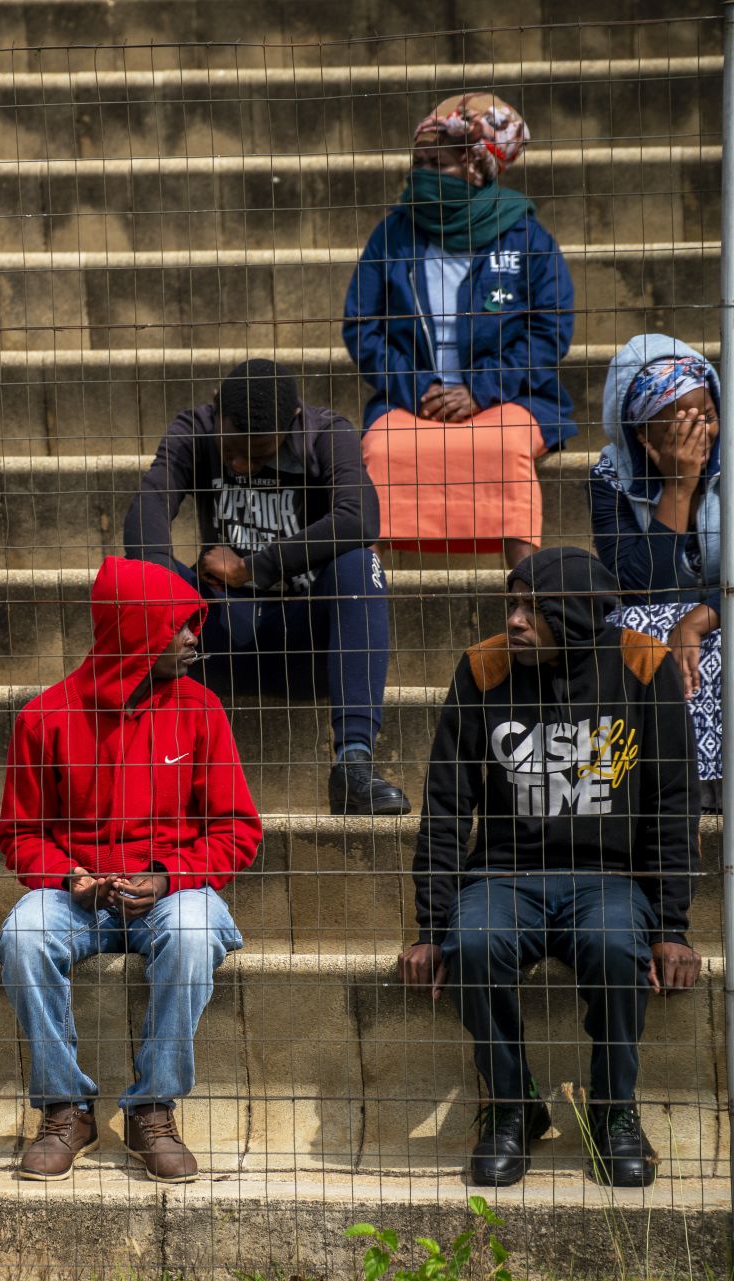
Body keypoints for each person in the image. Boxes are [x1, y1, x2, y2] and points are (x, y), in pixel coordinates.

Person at [398, 548, 701, 1189]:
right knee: (472, 943)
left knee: (619, 947)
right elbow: (447, 802)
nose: (513, 621)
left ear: (580, 616)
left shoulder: (644, 667)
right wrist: (430, 926)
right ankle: (513, 1109)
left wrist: (672, 922)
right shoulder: (483, 668)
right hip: (503, 879)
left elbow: (673, 802)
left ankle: (613, 1111)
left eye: (533, 609)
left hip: (609, 882)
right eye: (512, 604)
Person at [0, 557, 261, 1184]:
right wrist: (68, 878)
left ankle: (152, 1107)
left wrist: (170, 876)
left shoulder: (200, 710)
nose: (193, 638)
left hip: (171, 890)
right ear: (135, 632)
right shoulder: (45, 716)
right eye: (178, 627)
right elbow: (20, 835)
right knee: (23, 935)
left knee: (195, 933)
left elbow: (238, 830)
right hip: (78, 895)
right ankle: (66, 1108)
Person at [124, 358, 408, 816]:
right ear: (216, 410)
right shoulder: (194, 429)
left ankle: (353, 763)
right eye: (232, 449)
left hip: (307, 645)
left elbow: (361, 516)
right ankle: (139, 759)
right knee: (139, 573)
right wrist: (165, 593)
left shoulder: (325, 434)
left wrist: (255, 568)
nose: (239, 463)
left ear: (292, 419)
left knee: (360, 563)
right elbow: (147, 509)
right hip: (212, 638)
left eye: (257, 455)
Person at [341, 93, 574, 568]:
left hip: (510, 396)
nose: (423, 175)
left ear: (474, 167)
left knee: (507, 448)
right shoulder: (393, 234)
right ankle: (367, 597)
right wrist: (417, 386)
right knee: (383, 449)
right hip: (413, 396)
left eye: (438, 164)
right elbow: (361, 326)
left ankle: (527, 590)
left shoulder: (525, 237)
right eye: (419, 163)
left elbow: (551, 329)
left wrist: (480, 388)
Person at [592, 335, 724, 806]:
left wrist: (701, 617)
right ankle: (655, 784)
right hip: (654, 613)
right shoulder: (611, 477)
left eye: (707, 417)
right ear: (643, 437)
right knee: (630, 627)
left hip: (718, 614)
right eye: (680, 428)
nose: (700, 437)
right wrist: (679, 487)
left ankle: (713, 783)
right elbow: (635, 584)